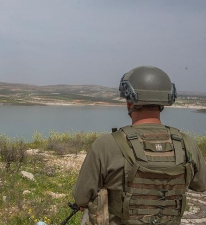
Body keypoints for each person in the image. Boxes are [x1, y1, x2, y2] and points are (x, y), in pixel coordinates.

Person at [73, 66, 206, 225]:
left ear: (130, 103)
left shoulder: (106, 145)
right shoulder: (186, 143)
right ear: (163, 103)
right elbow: (201, 185)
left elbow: (81, 197)